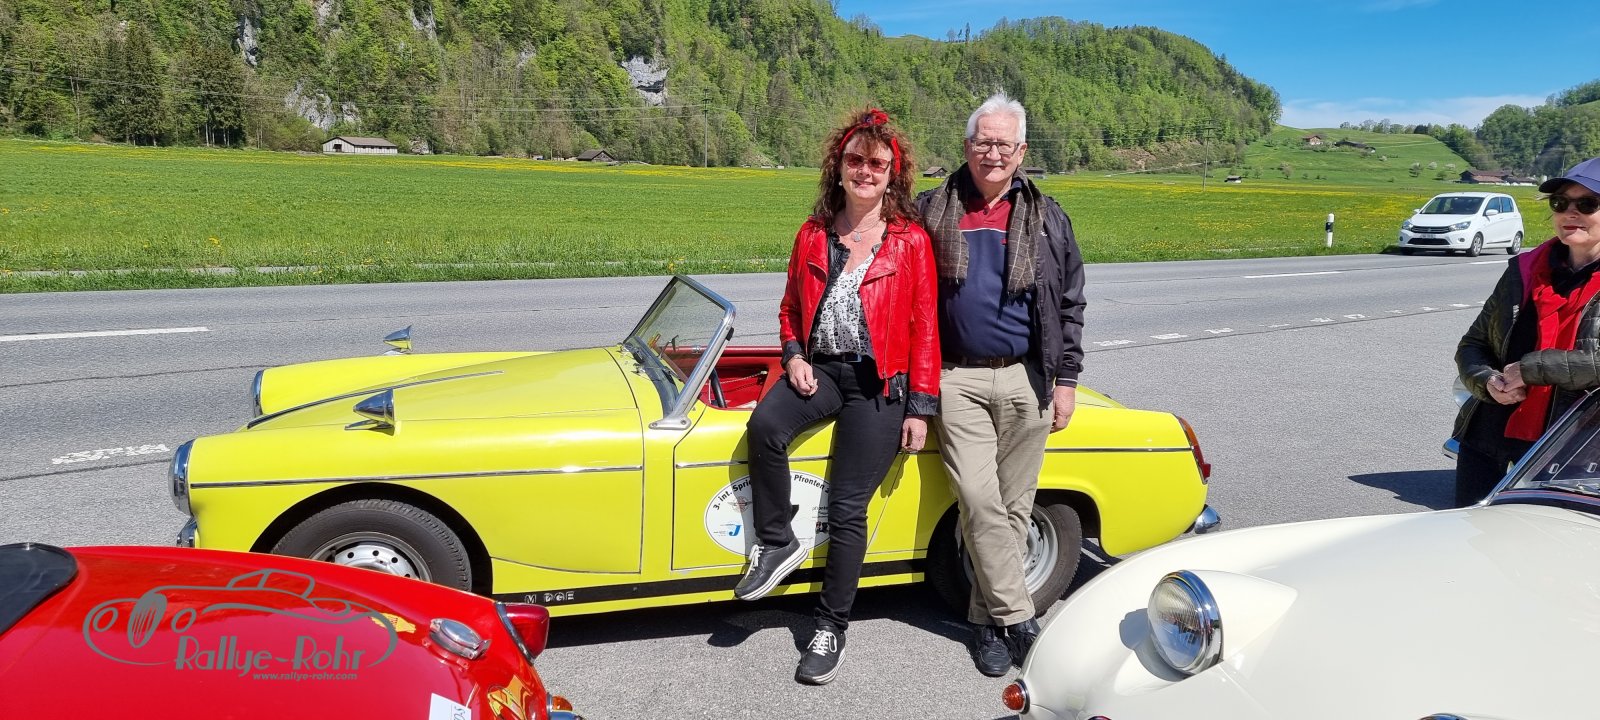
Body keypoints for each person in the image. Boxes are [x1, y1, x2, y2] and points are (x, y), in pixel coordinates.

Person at [732, 108, 940, 685]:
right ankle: (777, 542)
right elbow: (789, 309)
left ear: (893, 174)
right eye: (855, 160)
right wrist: (794, 356)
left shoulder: (910, 241)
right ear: (838, 166)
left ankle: (830, 625)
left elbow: (926, 328)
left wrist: (921, 407)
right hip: (821, 369)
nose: (865, 171)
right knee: (765, 428)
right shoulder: (813, 232)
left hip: (880, 383)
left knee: (848, 508)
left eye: (877, 163)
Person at [914, 92, 1086, 677]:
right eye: (983, 142)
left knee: (1015, 508)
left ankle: (985, 623)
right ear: (967, 146)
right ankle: (1019, 618)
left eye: (1004, 144)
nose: (993, 153)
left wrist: (1067, 379)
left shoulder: (1048, 216)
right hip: (956, 376)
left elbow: (1069, 303)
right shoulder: (932, 210)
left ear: (1022, 151)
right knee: (979, 500)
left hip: (1027, 376)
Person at [1454, 156, 1600, 507]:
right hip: (1487, 441)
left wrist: (1532, 369)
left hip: (1574, 455)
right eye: (1560, 203)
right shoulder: (1524, 269)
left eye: (1587, 203)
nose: (1570, 213)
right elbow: (1473, 344)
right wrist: (1487, 381)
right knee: (1469, 534)